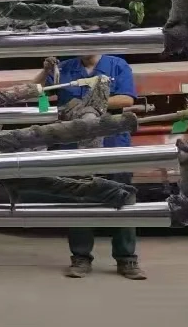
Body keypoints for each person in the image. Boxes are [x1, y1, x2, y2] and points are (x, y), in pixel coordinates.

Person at [39, 53, 144, 280]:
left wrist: (87, 103)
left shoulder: (117, 65)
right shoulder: (64, 68)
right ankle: (81, 258)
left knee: (122, 197)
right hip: (74, 144)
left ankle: (127, 260)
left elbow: (126, 99)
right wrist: (46, 71)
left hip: (112, 142)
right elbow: (38, 91)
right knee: (78, 200)